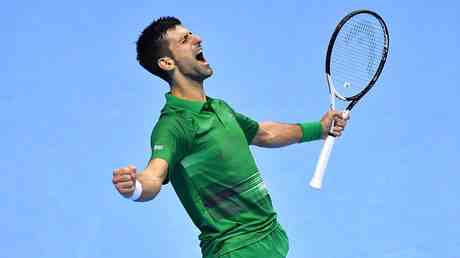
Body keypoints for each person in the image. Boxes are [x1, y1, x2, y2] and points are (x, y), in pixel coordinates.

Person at [112, 16, 348, 258]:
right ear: (166, 62)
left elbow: (264, 133)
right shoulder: (174, 125)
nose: (198, 39)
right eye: (185, 39)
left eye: (192, 33)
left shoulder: (220, 108)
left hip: (271, 241)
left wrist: (318, 129)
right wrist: (136, 187)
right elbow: (155, 174)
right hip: (234, 250)